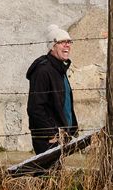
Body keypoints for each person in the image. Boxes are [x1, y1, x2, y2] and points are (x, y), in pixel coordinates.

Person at [26, 25, 77, 154]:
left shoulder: (59, 69)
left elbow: (64, 103)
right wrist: (51, 134)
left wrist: (71, 129)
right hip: (48, 139)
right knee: (47, 173)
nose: (67, 45)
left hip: (61, 135)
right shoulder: (43, 71)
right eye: (61, 42)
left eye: (69, 41)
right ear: (52, 46)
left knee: (56, 173)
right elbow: (35, 108)